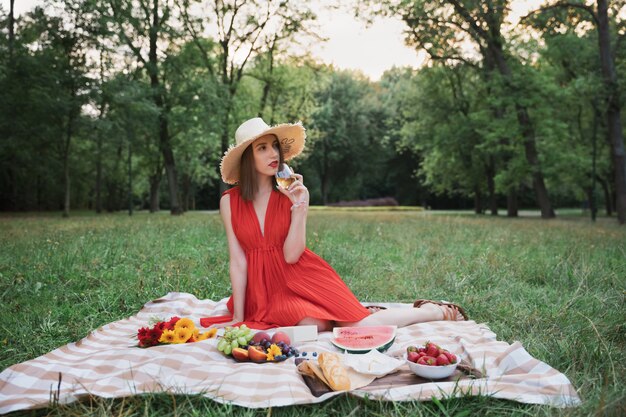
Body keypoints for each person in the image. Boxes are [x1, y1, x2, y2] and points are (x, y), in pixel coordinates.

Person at [201, 118, 468, 331]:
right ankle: (343, 314)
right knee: (310, 324)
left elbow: (292, 255)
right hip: (263, 290)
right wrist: (238, 316)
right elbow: (237, 260)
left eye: (274, 146)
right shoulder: (230, 201)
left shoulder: (288, 194)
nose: (274, 154)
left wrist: (300, 207)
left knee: (354, 325)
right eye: (262, 148)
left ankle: (433, 311)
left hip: (299, 275)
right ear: (248, 157)